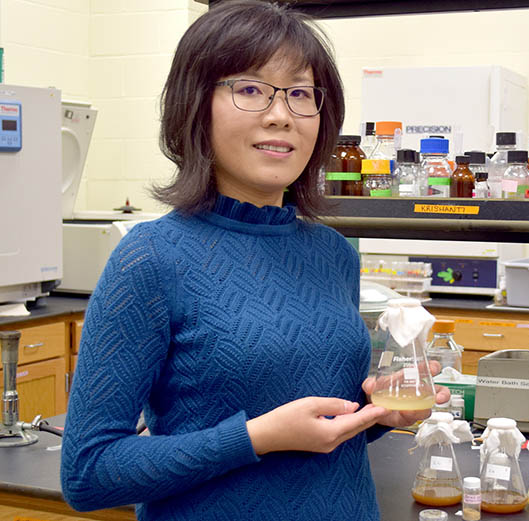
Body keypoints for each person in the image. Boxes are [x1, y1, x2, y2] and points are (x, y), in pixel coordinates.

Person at [59, 2, 449, 520]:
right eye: (249, 89)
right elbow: (89, 472)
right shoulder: (151, 258)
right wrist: (257, 437)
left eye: (300, 93)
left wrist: (378, 415)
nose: (280, 114)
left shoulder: (331, 252)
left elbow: (317, 415)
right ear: (195, 105)